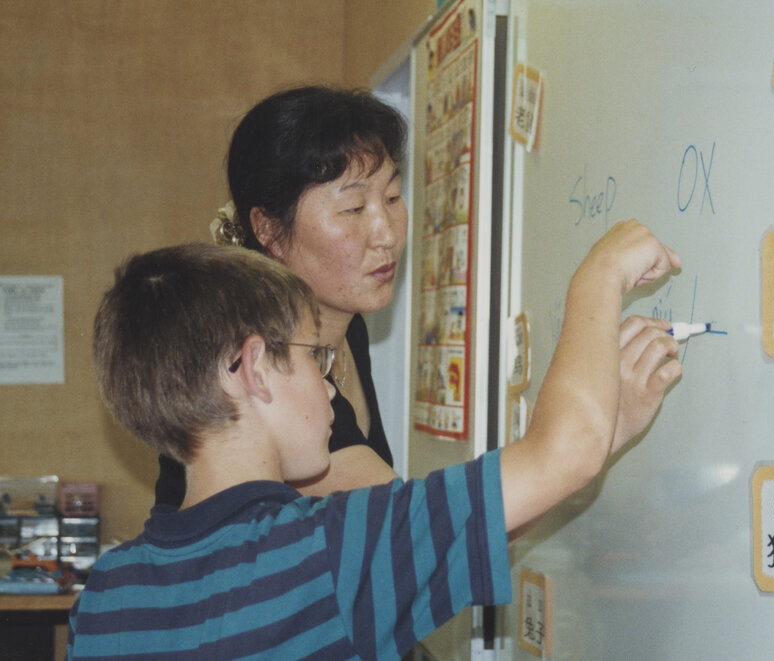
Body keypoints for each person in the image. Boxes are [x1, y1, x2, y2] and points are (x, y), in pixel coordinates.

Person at [71, 219, 682, 659]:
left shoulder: (105, 595)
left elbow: (481, 523)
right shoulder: (327, 551)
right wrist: (598, 274)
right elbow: (562, 454)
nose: (332, 391)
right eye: (318, 358)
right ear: (255, 368)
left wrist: (609, 423)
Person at [155, 85, 407, 507]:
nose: (387, 234)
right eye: (354, 209)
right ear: (269, 229)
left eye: (393, 198)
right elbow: (411, 527)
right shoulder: (256, 359)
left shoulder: (350, 326)